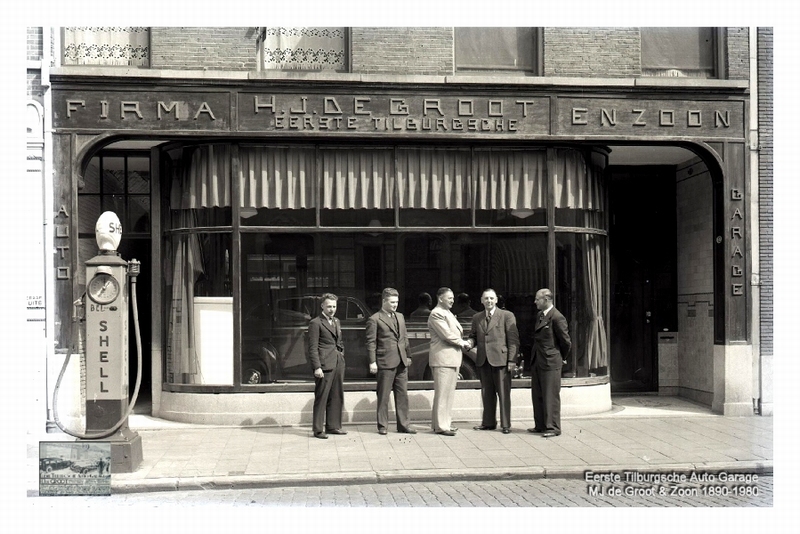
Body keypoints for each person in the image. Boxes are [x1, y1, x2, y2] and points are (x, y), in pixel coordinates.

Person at [467, 289, 520, 434]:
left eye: (491, 298)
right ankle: (488, 422)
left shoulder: (506, 315)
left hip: (501, 360)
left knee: (503, 393)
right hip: (483, 360)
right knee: (487, 393)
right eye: (486, 299)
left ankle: (505, 425)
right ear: (481, 300)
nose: (489, 301)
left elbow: (513, 339)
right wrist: (470, 343)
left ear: (496, 300)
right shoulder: (477, 317)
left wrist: (512, 360)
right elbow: (473, 336)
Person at [366, 288, 417, 435]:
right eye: (392, 302)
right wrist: (372, 362)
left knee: (402, 395)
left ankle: (404, 425)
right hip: (385, 362)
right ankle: (382, 425)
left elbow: (404, 338)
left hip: (401, 362)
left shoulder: (400, 317)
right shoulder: (375, 319)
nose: (395, 305)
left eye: (397, 302)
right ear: (384, 301)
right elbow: (371, 342)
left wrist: (408, 356)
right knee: (383, 396)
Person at [528, 288, 571, 438]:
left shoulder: (557, 317)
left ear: (546, 300)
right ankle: (540, 425)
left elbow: (566, 342)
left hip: (550, 361)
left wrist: (560, 357)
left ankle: (553, 427)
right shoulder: (540, 315)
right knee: (538, 394)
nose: (535, 302)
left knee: (550, 395)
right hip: (538, 360)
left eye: (537, 299)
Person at [427, 287, 470, 436]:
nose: (452, 300)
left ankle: (443, 423)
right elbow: (446, 335)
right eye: (449, 298)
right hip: (443, 359)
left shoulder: (448, 313)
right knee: (442, 393)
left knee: (448, 394)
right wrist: (463, 343)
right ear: (440, 298)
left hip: (451, 358)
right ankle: (441, 426)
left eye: (453, 298)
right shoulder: (437, 313)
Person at [307, 293, 347, 439]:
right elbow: (312, 347)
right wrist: (317, 367)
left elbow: (339, 342)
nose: (332, 309)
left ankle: (333, 426)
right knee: (322, 396)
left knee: (336, 395)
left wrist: (341, 354)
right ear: (322, 306)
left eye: (334, 306)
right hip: (324, 365)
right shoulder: (316, 323)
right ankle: (318, 430)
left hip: (337, 363)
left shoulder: (336, 321)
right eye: (329, 306)